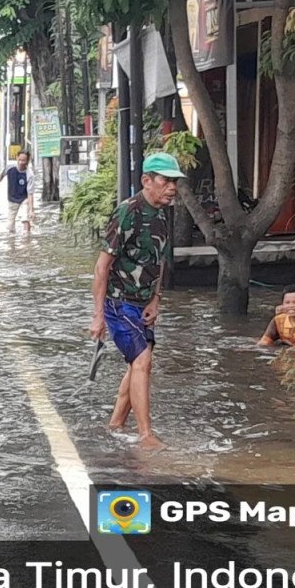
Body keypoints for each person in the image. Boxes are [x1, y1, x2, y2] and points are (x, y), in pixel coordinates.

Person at [89, 152, 186, 451]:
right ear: (147, 180)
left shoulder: (162, 215)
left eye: (175, 182)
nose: (172, 188)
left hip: (144, 303)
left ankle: (116, 423)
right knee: (142, 361)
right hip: (119, 302)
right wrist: (98, 316)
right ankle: (146, 435)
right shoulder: (127, 212)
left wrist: (156, 300)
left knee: (137, 366)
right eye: (165, 180)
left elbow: (159, 262)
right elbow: (101, 267)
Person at [0, 151, 34, 235]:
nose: (21, 162)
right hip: (12, 199)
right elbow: (1, 176)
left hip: (24, 199)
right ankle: (12, 242)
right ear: (17, 158)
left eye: (24, 160)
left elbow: (30, 194)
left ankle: (27, 239)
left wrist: (31, 210)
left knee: (25, 218)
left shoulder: (30, 174)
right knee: (10, 226)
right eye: (20, 160)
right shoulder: (9, 168)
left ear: (28, 161)